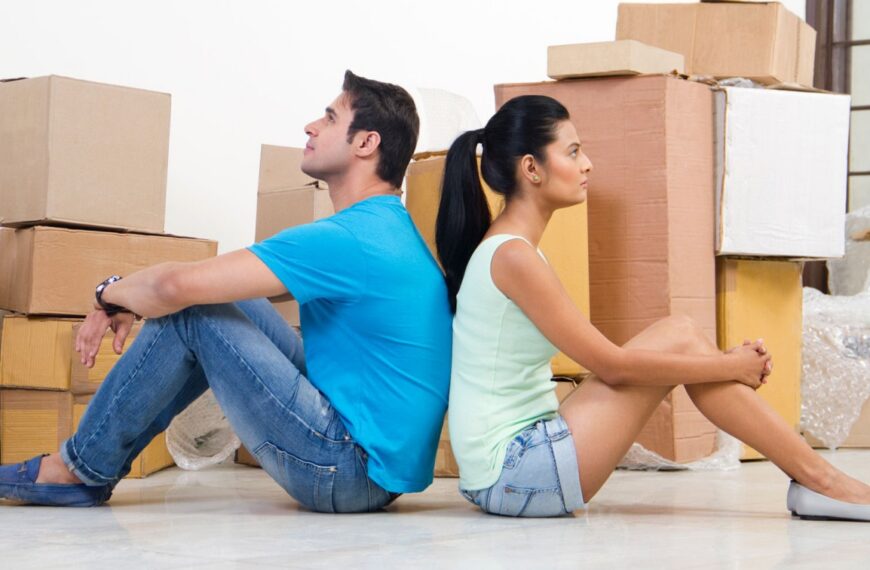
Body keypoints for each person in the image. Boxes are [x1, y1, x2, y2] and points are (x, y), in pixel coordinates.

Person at [0, 70, 452, 513]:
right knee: (225, 297)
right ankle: (88, 466)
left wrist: (109, 294)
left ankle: (75, 469)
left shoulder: (348, 239)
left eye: (329, 118)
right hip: (375, 466)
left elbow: (174, 287)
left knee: (191, 310)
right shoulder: (386, 228)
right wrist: (126, 298)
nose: (310, 127)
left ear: (365, 143)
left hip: (348, 470)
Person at [436, 94, 870, 521]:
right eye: (572, 151)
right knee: (681, 342)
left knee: (680, 333)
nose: (587, 164)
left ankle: (817, 480)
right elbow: (613, 366)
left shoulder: (512, 250)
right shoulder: (514, 257)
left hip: (513, 466)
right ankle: (822, 481)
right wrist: (729, 367)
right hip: (517, 471)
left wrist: (727, 365)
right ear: (531, 168)